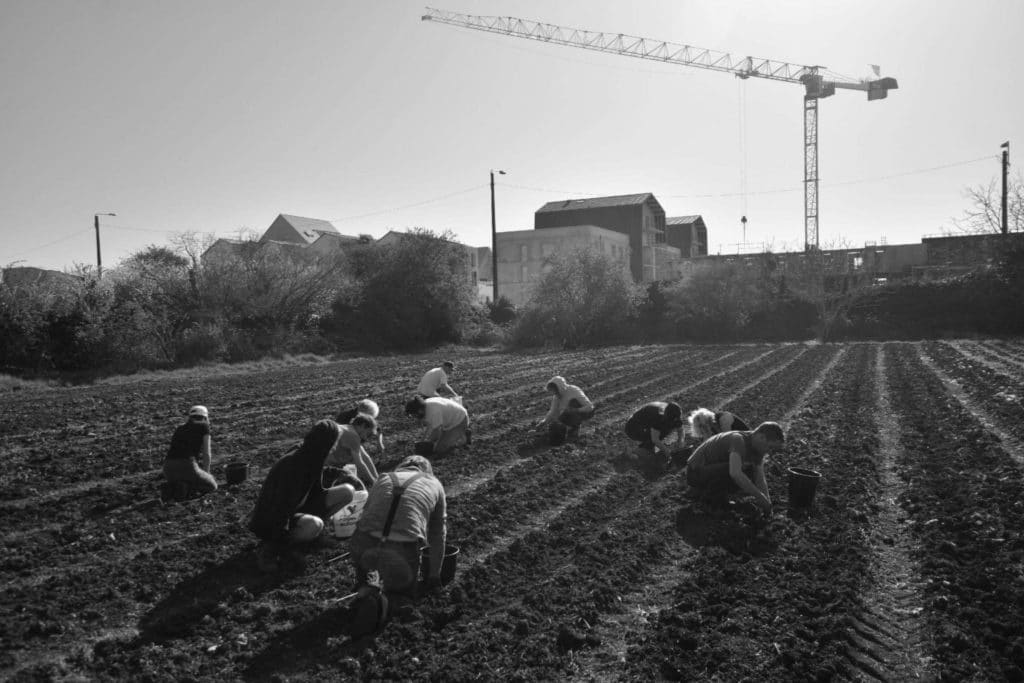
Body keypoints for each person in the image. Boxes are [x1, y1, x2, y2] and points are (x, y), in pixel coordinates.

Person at [248, 419, 367, 571]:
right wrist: (278, 543)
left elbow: (317, 487)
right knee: (313, 525)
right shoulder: (293, 466)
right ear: (325, 442)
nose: (335, 447)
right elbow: (280, 508)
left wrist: (342, 473)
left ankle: (314, 536)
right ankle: (274, 548)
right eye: (334, 443)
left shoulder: (312, 455)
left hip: (297, 507)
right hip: (273, 521)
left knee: (347, 491)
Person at [349, 455, 446, 595]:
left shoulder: (383, 478)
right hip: (402, 548)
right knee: (401, 597)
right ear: (427, 472)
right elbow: (437, 535)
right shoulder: (435, 484)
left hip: (364, 542)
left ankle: (365, 591)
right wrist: (434, 577)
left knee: (367, 581)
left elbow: (365, 514)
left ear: (400, 468)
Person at [685, 421, 785, 518]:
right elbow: (735, 473)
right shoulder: (738, 440)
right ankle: (709, 502)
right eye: (770, 447)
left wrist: (768, 504)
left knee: (750, 472)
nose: (769, 451)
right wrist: (760, 498)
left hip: (710, 470)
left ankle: (718, 497)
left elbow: (760, 478)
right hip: (694, 473)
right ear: (761, 437)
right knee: (739, 471)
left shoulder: (757, 449)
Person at [162, 405, 217, 498]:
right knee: (212, 486)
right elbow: (206, 454)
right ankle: (188, 486)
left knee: (185, 477)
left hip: (168, 468)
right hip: (187, 465)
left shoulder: (179, 428)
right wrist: (207, 473)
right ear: (205, 417)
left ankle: (174, 486)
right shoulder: (204, 426)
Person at [404, 395, 471, 457]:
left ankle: (464, 435)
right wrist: (423, 440)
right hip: (449, 423)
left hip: (459, 421)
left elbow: (436, 432)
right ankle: (457, 434)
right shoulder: (426, 406)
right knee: (437, 446)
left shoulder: (433, 412)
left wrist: (428, 443)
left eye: (414, 414)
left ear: (419, 410)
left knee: (440, 449)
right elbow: (430, 426)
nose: (414, 417)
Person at [624, 401, 685, 467]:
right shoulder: (658, 417)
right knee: (648, 454)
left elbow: (680, 430)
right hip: (632, 428)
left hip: (646, 425)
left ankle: (647, 447)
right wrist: (667, 452)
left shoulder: (674, 413)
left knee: (665, 429)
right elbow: (655, 439)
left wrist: (680, 441)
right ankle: (632, 451)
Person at [534, 376, 595, 442]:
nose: (554, 393)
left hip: (586, 412)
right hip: (568, 413)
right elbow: (553, 411)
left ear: (559, 388)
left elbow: (590, 407)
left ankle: (574, 429)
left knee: (572, 403)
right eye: (552, 391)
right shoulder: (557, 396)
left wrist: (575, 410)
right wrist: (544, 422)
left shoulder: (574, 391)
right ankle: (565, 430)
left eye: (554, 390)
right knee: (557, 422)